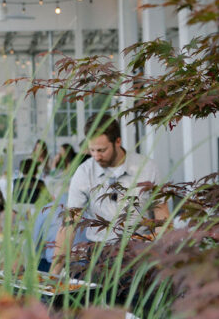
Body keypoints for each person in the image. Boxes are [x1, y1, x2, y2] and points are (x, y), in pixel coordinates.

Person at [51, 116, 168, 275]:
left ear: (117, 142)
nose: (96, 156)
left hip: (140, 255)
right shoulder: (84, 172)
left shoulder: (148, 168)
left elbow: (162, 217)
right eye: (92, 150)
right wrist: (54, 274)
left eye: (102, 150)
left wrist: (164, 259)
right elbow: (69, 224)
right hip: (99, 258)